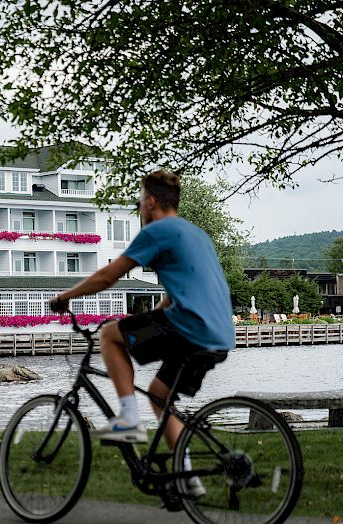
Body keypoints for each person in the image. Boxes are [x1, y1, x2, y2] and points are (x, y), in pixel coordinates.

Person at [50, 169, 234, 495]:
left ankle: (129, 419)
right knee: (160, 396)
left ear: (151, 201)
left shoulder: (158, 231)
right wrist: (151, 317)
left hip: (189, 329)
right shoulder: (196, 234)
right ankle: (187, 480)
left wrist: (65, 297)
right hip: (218, 335)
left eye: (139, 202)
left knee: (109, 335)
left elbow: (109, 276)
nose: (138, 208)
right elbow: (186, 288)